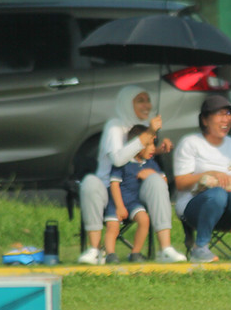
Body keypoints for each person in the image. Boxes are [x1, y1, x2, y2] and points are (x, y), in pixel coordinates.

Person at [78, 85, 187, 265]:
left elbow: (140, 155)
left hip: (136, 189)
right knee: (89, 182)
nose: (147, 105)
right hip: (109, 189)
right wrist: (150, 133)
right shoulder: (115, 126)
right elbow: (119, 159)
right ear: (127, 104)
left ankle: (165, 249)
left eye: (148, 100)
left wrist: (158, 149)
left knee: (157, 181)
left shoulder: (145, 126)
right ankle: (95, 250)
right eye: (140, 101)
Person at [173, 95, 231, 262]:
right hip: (193, 209)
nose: (226, 119)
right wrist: (210, 174)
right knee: (217, 194)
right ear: (205, 120)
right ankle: (199, 248)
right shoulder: (191, 143)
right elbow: (180, 183)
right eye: (220, 114)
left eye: (229, 114)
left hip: (227, 214)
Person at [102, 125, 166, 263]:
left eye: (153, 144)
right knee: (113, 227)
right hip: (116, 201)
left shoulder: (150, 163)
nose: (153, 148)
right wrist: (119, 207)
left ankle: (135, 253)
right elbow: (114, 185)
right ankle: (110, 254)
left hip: (134, 202)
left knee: (144, 220)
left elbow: (164, 181)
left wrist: (151, 174)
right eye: (148, 145)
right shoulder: (123, 162)